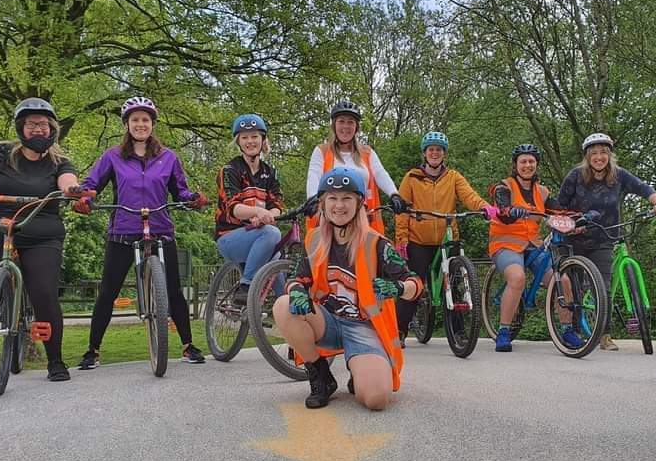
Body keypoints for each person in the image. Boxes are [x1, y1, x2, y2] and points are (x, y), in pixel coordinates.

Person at [0, 97, 80, 386]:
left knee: (45, 294)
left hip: (40, 229)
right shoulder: (2, 155)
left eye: (43, 125)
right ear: (21, 128)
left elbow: (68, 183)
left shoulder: (60, 162)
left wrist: (73, 190)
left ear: (52, 129)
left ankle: (55, 360)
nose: (37, 129)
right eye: (31, 124)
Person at [73, 96, 208, 369]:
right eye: (135, 120)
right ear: (126, 124)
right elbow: (92, 184)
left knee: (173, 290)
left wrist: (192, 198)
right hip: (123, 230)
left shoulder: (168, 157)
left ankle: (187, 345)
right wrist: (85, 198)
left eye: (145, 120)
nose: (140, 124)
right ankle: (92, 350)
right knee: (108, 292)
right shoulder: (112, 156)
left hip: (160, 229)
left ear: (152, 124)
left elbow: (179, 190)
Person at [273, 167, 422, 411]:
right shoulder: (315, 239)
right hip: (328, 321)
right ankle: (320, 375)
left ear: (359, 203)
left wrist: (397, 287)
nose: (339, 205)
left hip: (363, 327)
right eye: (332, 198)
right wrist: (297, 289)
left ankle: (359, 368)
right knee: (283, 305)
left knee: (376, 399)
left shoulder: (376, 244)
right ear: (322, 203)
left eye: (346, 198)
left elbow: (416, 285)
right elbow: (296, 278)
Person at [556, 133, 656, 351]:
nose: (599, 157)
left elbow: (643, 187)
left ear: (609, 155)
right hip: (574, 239)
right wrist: (569, 223)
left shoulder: (619, 176)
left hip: (604, 238)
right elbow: (559, 206)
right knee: (573, 286)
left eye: (603, 153)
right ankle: (572, 331)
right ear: (588, 157)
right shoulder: (575, 176)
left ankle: (604, 335)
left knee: (604, 288)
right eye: (594, 153)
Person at [394, 130, 499, 343]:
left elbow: (469, 196)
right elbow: (402, 210)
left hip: (447, 237)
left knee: (456, 283)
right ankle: (399, 330)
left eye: (439, 150)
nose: (435, 153)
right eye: (431, 149)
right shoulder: (412, 177)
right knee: (415, 284)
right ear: (425, 153)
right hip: (419, 239)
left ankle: (459, 332)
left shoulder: (453, 177)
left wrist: (485, 207)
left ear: (444, 154)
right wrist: (402, 240)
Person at [487, 143, 578, 353]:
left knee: (562, 281)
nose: (527, 165)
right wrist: (509, 210)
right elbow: (502, 207)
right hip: (505, 243)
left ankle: (567, 330)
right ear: (516, 165)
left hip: (533, 245)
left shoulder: (542, 192)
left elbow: (560, 211)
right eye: (523, 161)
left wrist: (581, 217)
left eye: (531, 161)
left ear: (536, 165)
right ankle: (503, 331)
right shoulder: (504, 186)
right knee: (517, 278)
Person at [214, 114, 285, 307]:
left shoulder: (270, 173)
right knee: (272, 233)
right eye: (244, 137)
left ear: (263, 139)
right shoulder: (230, 170)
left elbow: (277, 205)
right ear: (238, 141)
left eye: (254, 136)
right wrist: (257, 212)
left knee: (278, 263)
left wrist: (268, 215)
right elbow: (234, 208)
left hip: (260, 233)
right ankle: (245, 287)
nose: (250, 141)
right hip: (229, 237)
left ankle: (288, 312)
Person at [305, 99, 406, 234]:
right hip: (333, 217)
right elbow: (314, 176)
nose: (346, 126)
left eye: (350, 122)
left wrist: (394, 194)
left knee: (367, 254)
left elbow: (380, 174)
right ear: (334, 125)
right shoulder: (322, 151)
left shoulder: (367, 152)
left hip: (363, 218)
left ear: (356, 127)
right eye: (341, 121)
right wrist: (312, 198)